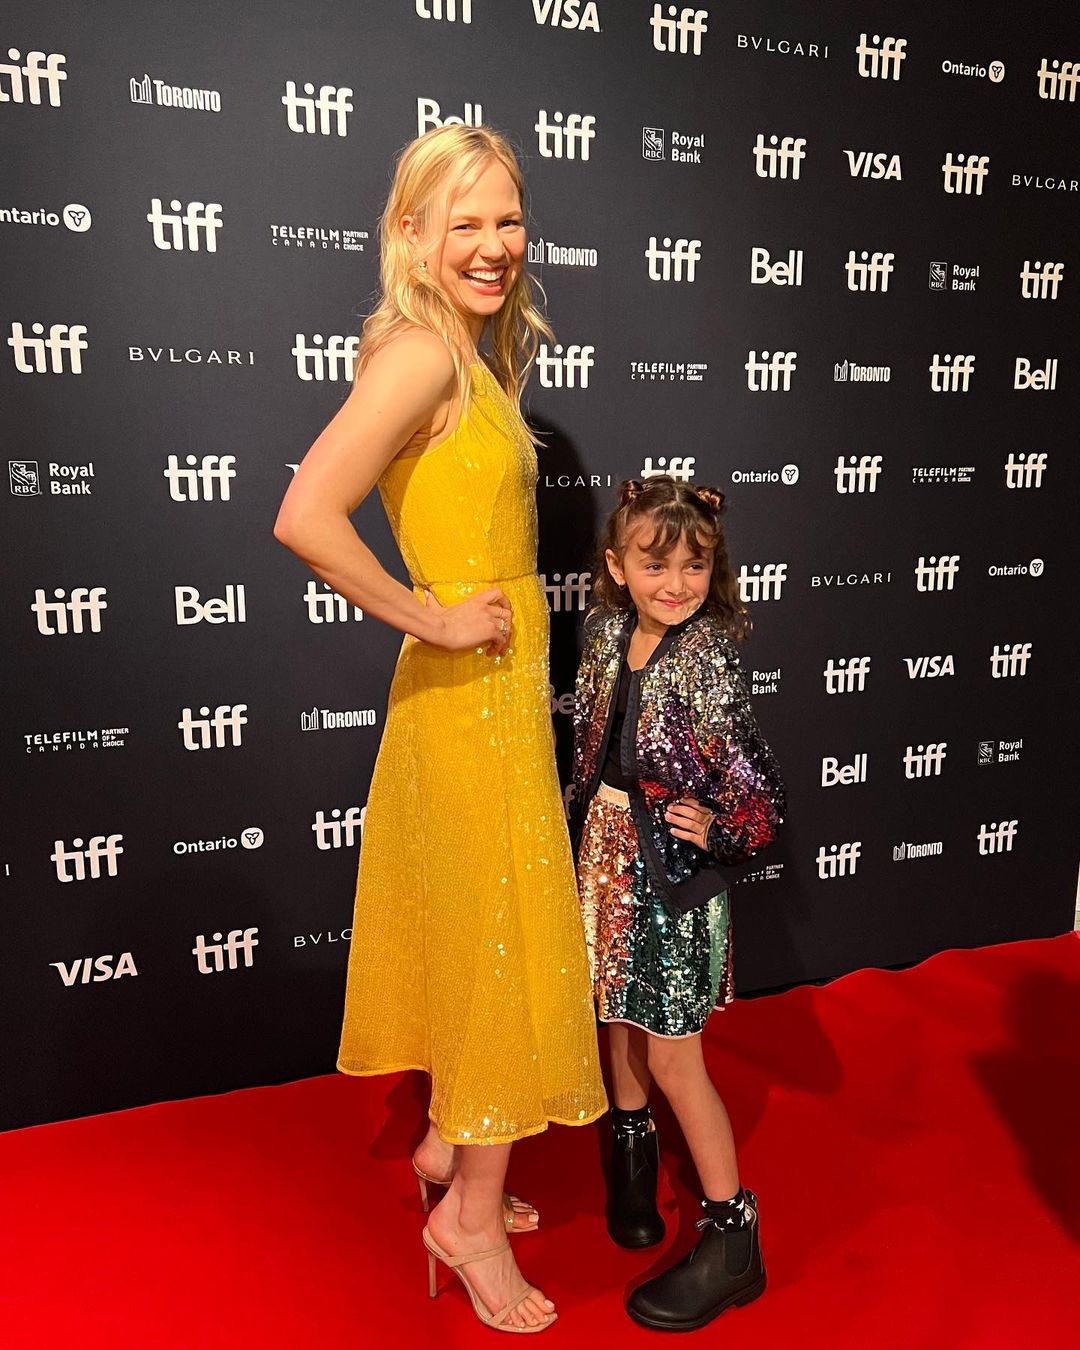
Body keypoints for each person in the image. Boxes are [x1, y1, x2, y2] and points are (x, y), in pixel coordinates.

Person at [274, 124, 606, 1335]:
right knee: (498, 951)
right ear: (410, 234)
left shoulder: (461, 349)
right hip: (469, 705)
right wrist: (432, 616)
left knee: (485, 941)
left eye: (508, 219)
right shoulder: (421, 356)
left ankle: (450, 1150)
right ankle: (467, 1218)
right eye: (464, 222)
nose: (493, 245)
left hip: (492, 705)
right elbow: (307, 513)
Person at [571, 476, 786, 1331]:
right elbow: (585, 747)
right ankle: (631, 1149)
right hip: (603, 854)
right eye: (655, 564)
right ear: (616, 566)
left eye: (694, 565)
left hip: (670, 877)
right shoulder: (603, 635)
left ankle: (735, 1238)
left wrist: (719, 825)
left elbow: (757, 788)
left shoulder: (707, 656)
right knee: (615, 1015)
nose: (676, 583)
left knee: (674, 1057)